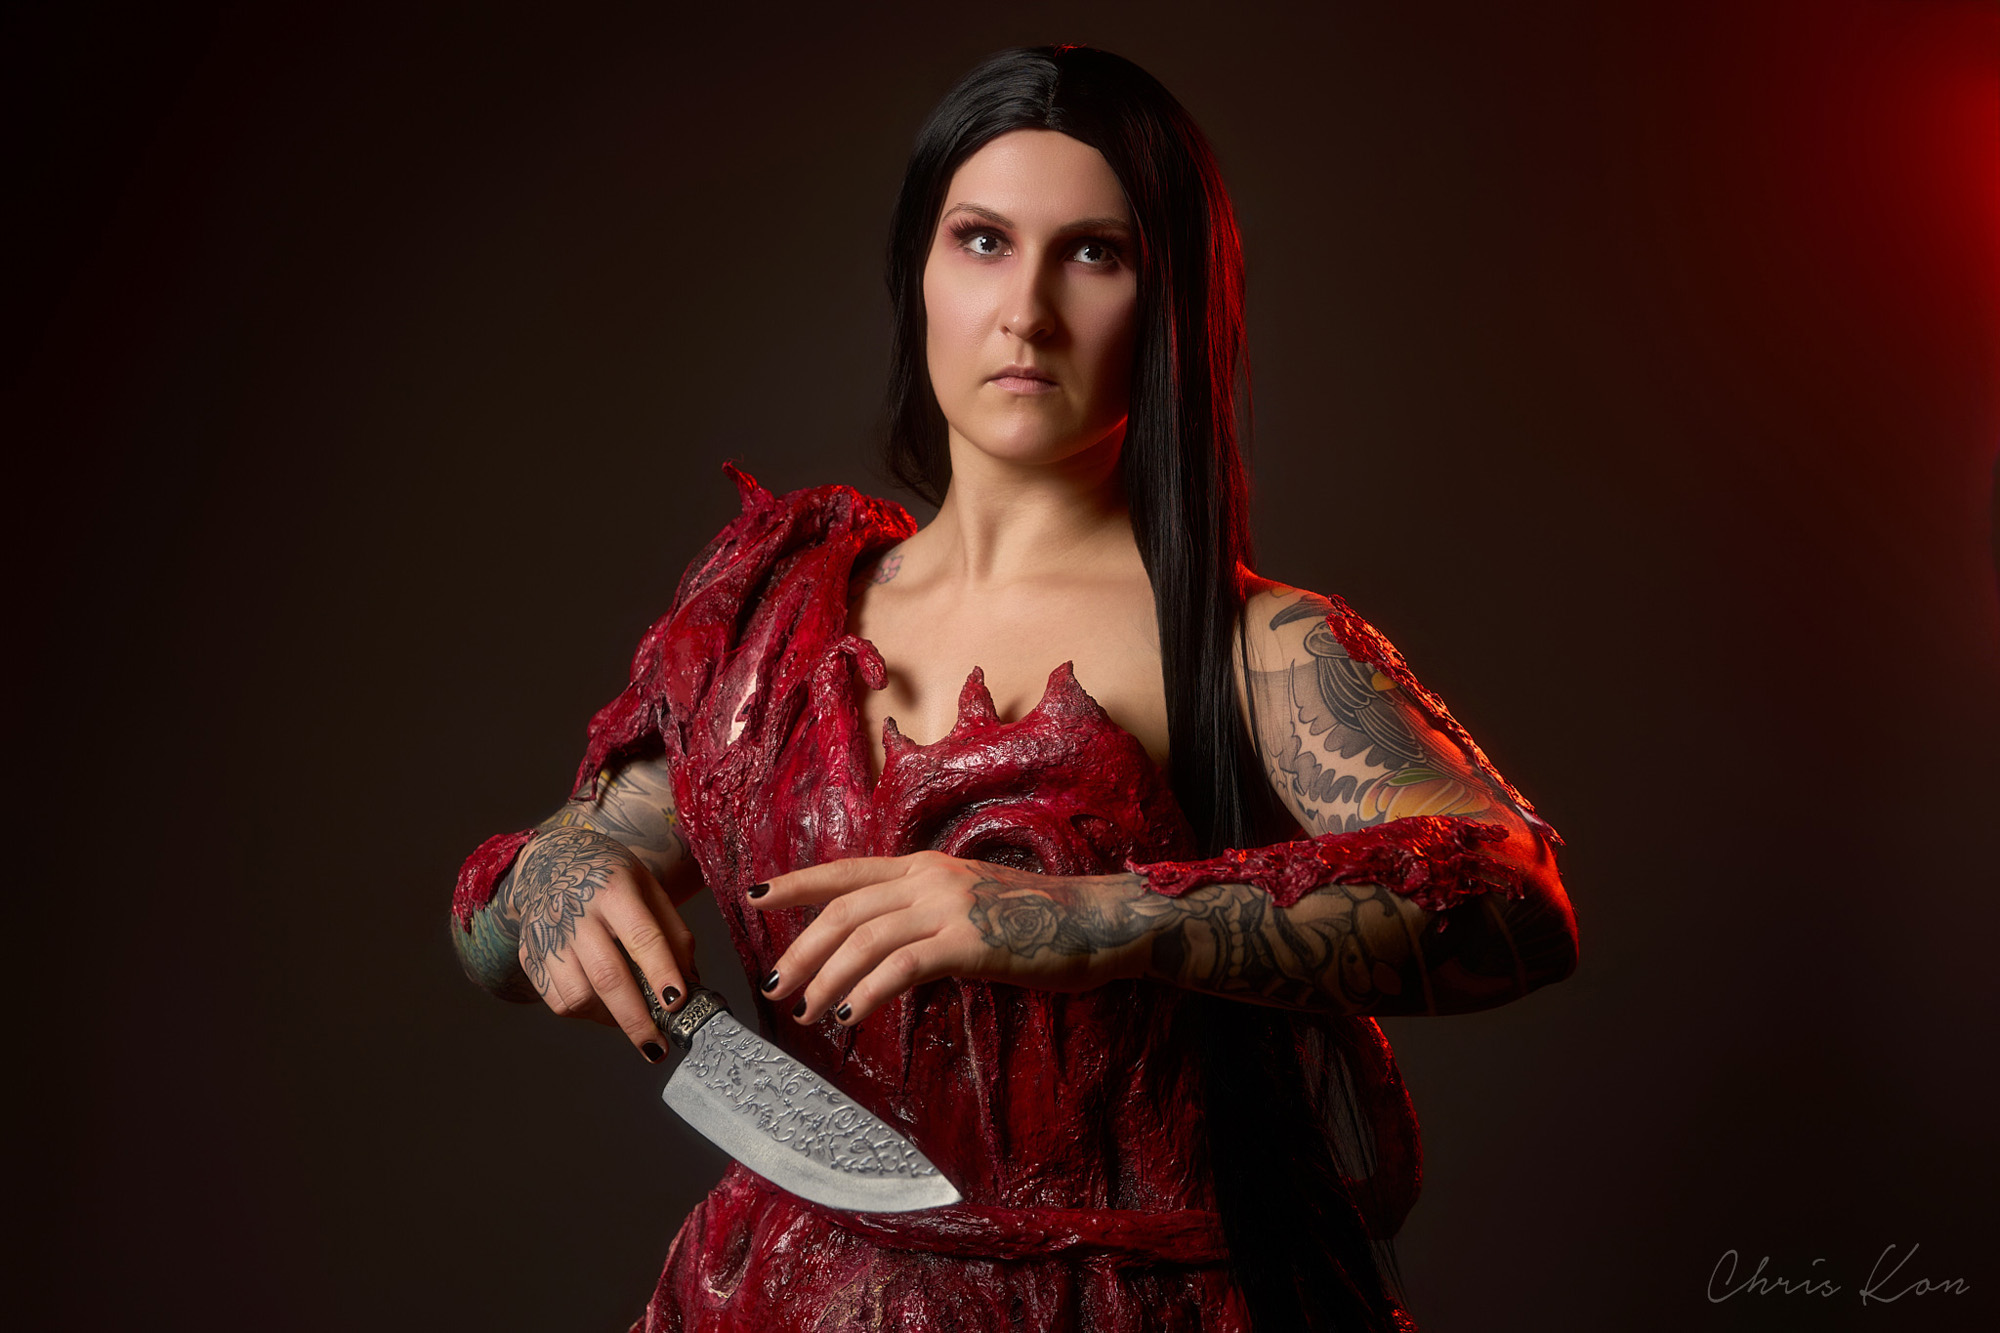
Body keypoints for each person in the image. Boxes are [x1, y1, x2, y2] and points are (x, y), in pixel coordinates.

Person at [449, 43, 1577, 1333]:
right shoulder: (774, 617)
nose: (1026, 310)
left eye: (1094, 254)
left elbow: (1514, 900)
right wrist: (550, 880)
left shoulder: (1254, 646)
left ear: (1172, 302)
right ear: (918, 275)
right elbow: (507, 920)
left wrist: (1078, 918)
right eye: (982, 241)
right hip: (775, 1302)